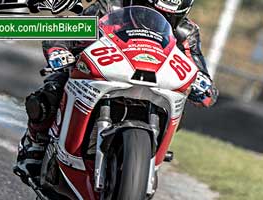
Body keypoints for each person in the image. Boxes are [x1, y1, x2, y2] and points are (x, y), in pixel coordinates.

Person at [14, 0, 218, 184]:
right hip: (102, 73)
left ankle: (143, 163)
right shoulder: (109, 7)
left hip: (154, 86)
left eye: (167, 17)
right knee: (54, 88)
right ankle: (35, 144)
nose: (154, 17)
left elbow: (198, 69)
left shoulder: (186, 31)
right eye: (149, 10)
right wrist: (59, 50)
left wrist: (204, 86)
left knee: (179, 110)